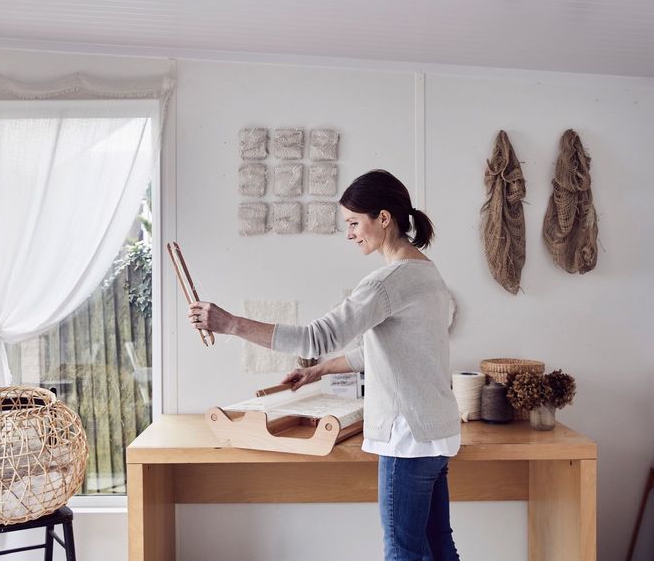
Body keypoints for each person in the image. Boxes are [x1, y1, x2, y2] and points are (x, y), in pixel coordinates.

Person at [188, 169, 461, 561]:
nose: (349, 233)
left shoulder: (387, 282)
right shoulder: (427, 273)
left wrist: (230, 324)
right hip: (435, 435)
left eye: (353, 223)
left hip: (406, 438)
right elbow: (384, 353)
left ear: (383, 218)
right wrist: (317, 371)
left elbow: (318, 337)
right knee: (438, 545)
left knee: (402, 552)